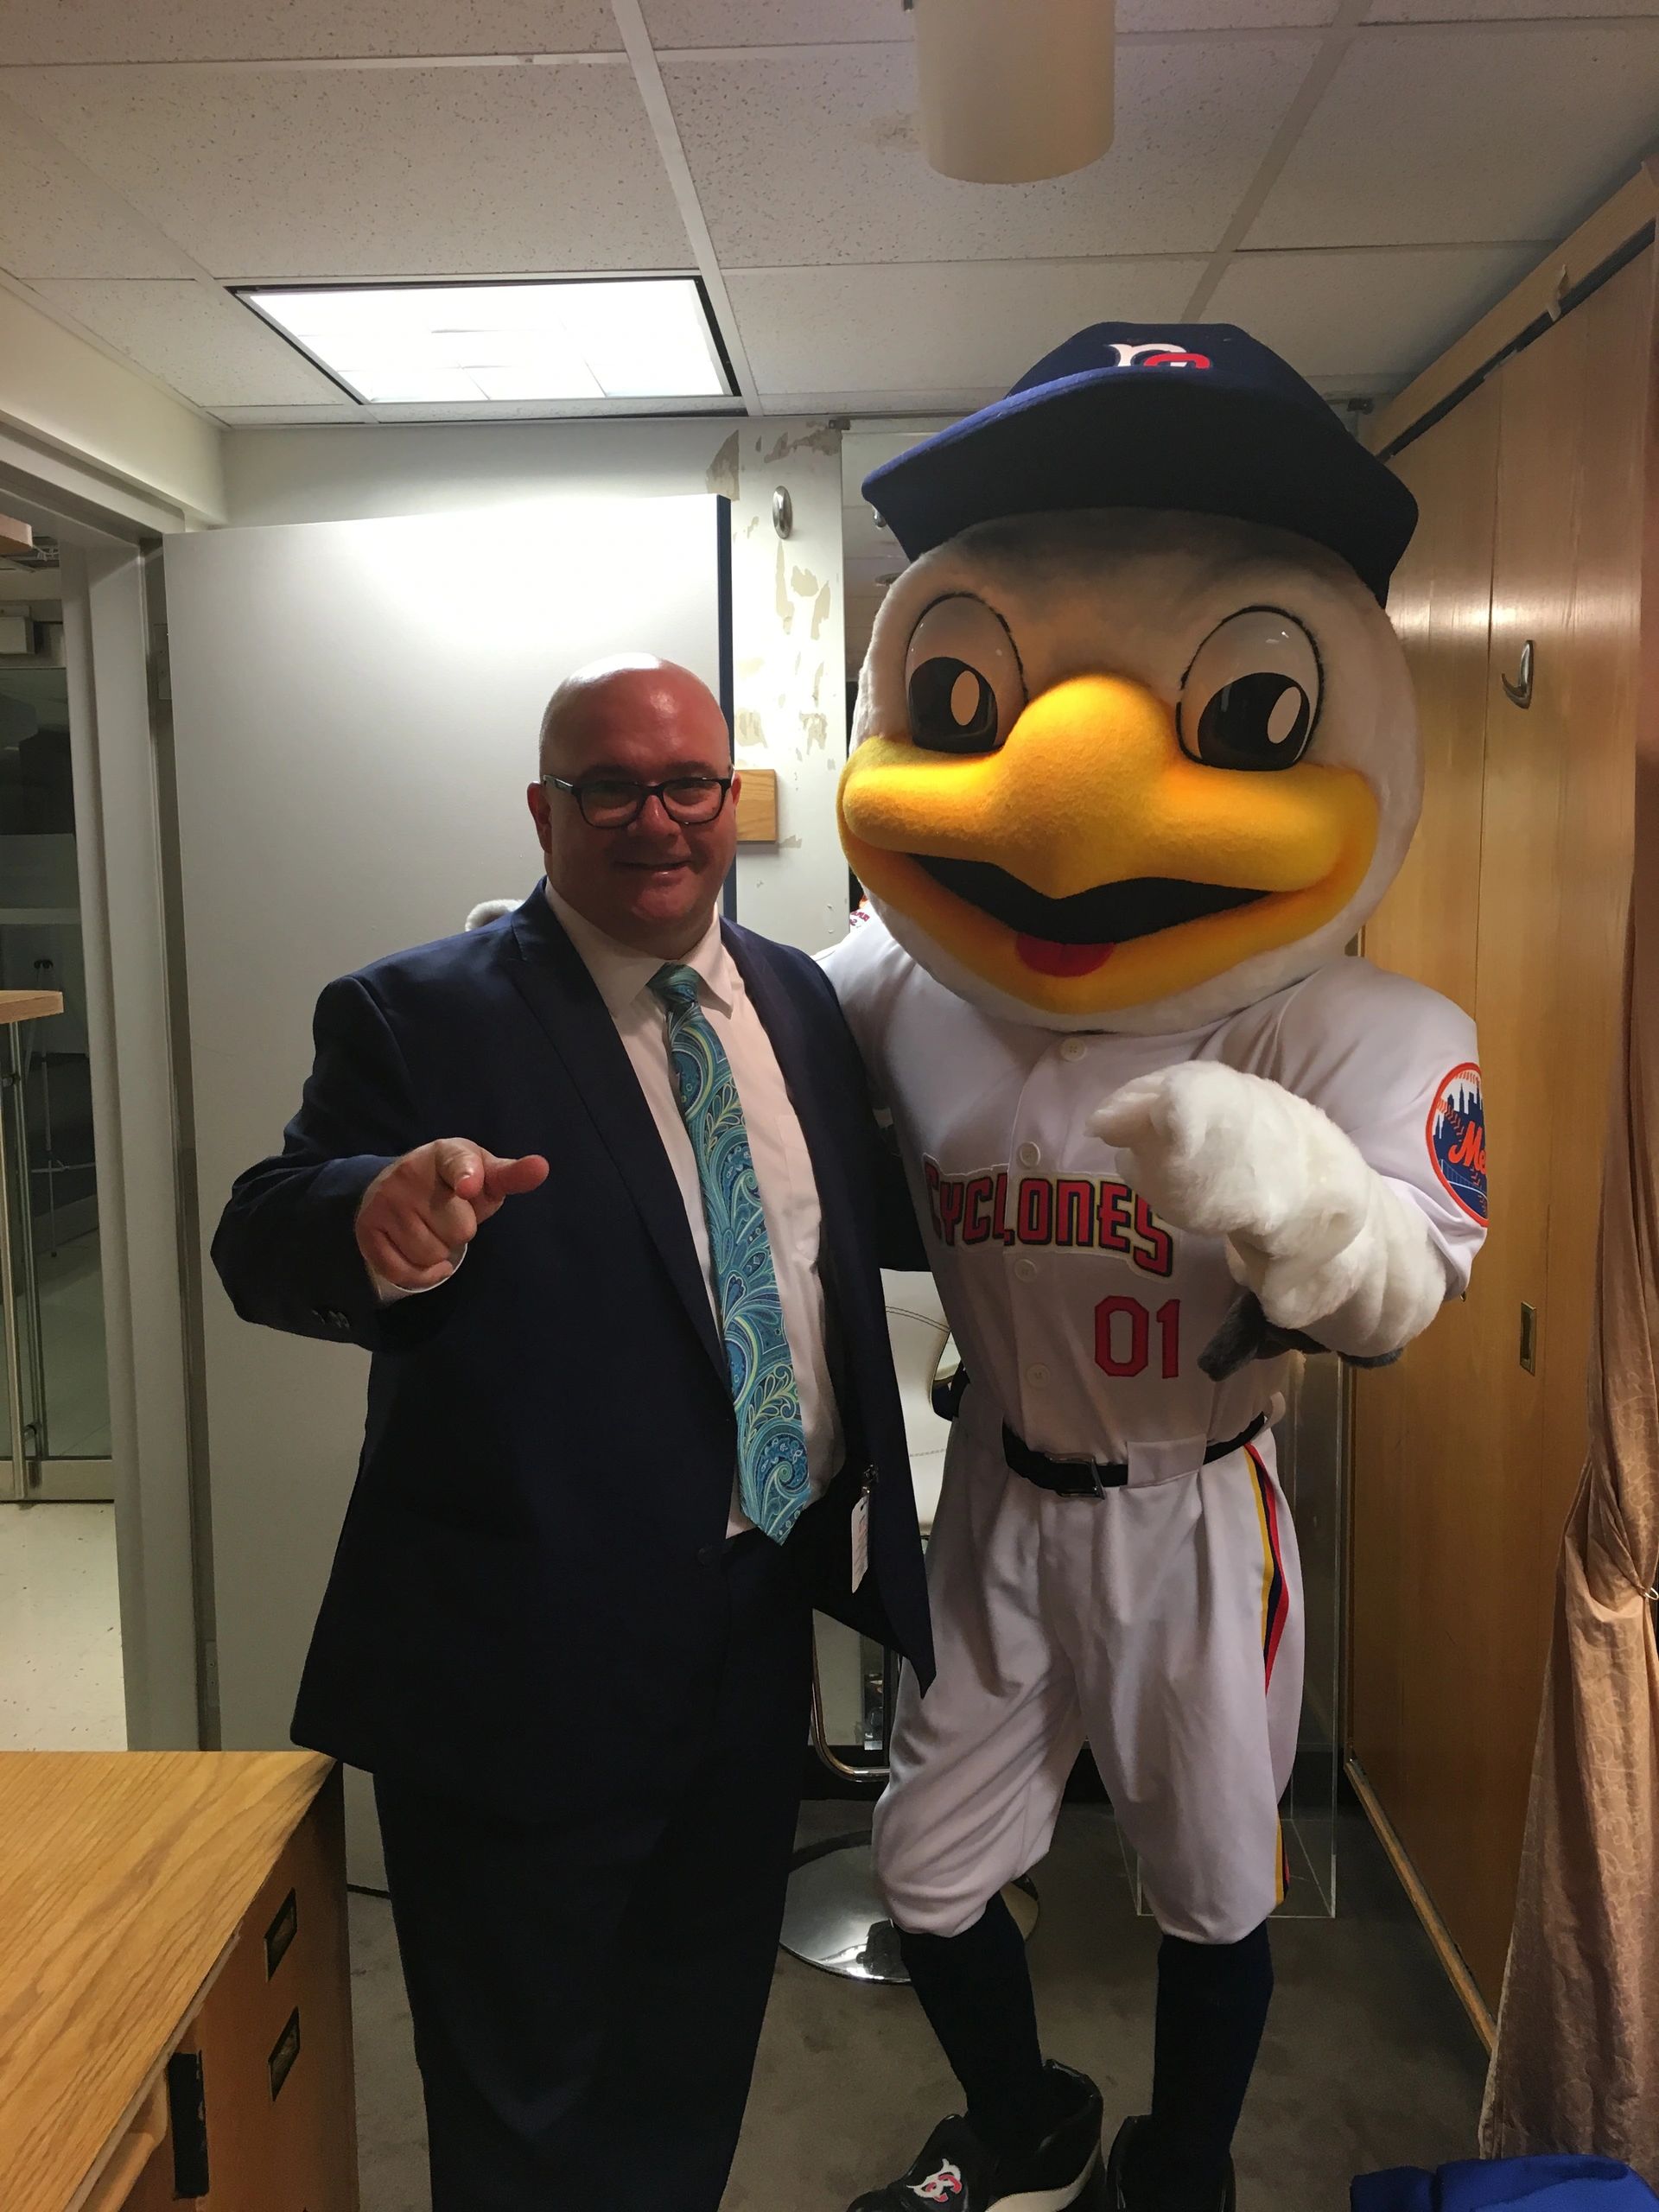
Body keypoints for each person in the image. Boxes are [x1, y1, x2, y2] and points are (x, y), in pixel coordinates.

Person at [212, 654, 933, 2212]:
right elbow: (259, 1232)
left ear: (733, 801)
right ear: (546, 810)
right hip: (515, 1669)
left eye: (691, 786)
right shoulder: (418, 1012)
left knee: (690, 2063)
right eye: (609, 788)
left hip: (747, 1640)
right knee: (519, 2106)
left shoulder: (798, 1001)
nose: (656, 822)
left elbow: (821, 1260)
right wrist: (374, 1217)